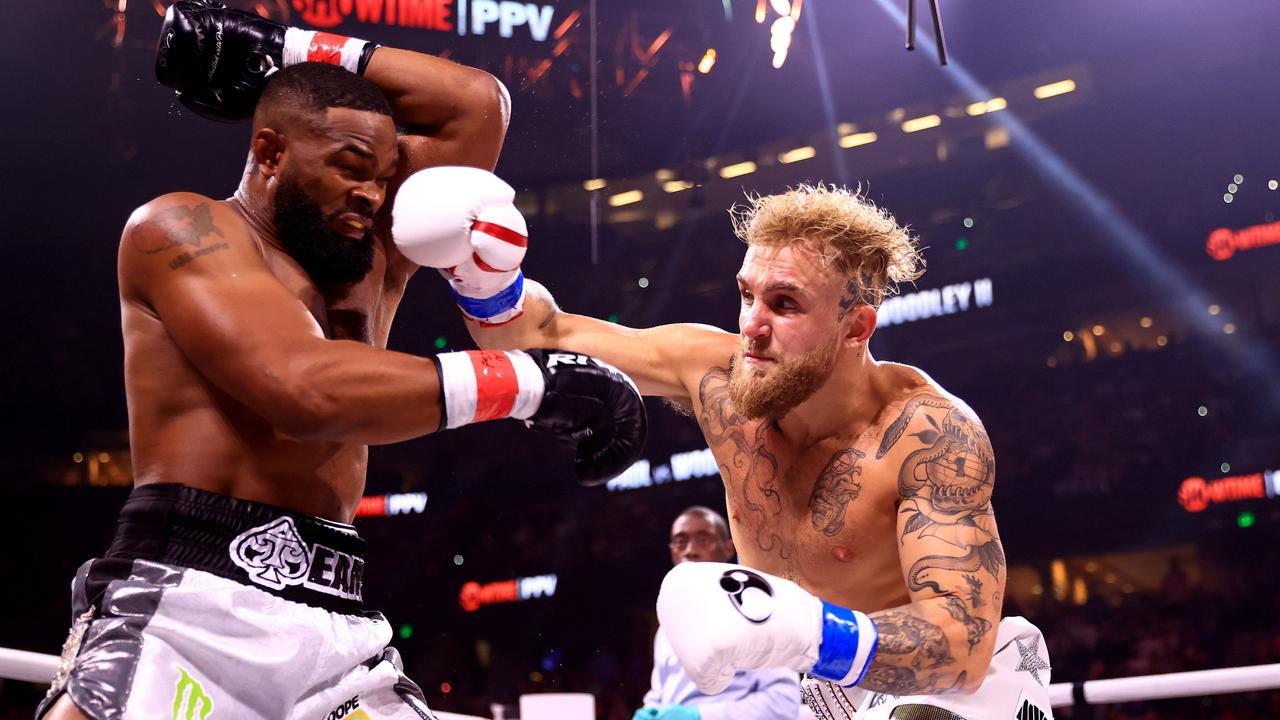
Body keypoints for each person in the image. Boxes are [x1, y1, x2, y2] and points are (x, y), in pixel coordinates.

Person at [39, 4, 646, 719]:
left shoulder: (369, 257)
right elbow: (303, 391)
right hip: (188, 596)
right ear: (269, 153)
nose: (373, 194)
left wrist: (283, 46)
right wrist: (528, 383)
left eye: (386, 178)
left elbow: (476, 103)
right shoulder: (181, 229)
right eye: (351, 168)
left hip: (336, 616)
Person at [392, 172, 1055, 719]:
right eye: (746, 294)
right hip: (822, 689)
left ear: (856, 326)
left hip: (957, 691)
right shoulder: (717, 376)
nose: (752, 327)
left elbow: (961, 646)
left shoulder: (926, 434)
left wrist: (801, 628)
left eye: (785, 304)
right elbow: (545, 335)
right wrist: (483, 276)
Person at [634, 507, 801, 720]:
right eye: (680, 542)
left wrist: (700, 716)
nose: (690, 551)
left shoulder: (757, 612)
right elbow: (661, 693)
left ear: (728, 548)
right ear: (672, 551)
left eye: (704, 540)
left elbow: (783, 703)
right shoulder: (667, 624)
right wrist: (650, 709)